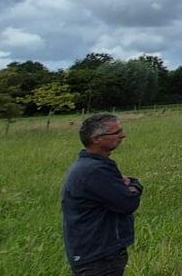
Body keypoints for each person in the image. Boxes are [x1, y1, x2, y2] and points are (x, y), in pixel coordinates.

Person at [62, 113, 143, 276]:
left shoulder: (91, 166)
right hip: (99, 257)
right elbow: (128, 203)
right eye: (117, 132)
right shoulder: (94, 171)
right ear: (96, 139)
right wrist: (135, 185)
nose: (123, 135)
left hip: (95, 252)